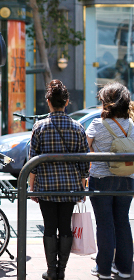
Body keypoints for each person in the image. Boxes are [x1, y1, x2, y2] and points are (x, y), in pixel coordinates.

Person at [29, 80, 89, 280]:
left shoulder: (40, 127)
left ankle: (51, 270)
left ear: (48, 102)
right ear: (67, 102)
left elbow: (33, 162)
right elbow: (84, 162)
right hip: (70, 187)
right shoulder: (78, 127)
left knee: (49, 226)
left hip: (45, 186)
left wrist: (31, 187)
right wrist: (82, 187)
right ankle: (61, 270)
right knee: (65, 226)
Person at [86, 82, 133, 279]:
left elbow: (85, 148)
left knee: (104, 223)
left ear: (107, 102)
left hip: (101, 177)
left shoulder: (97, 124)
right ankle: (124, 269)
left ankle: (103, 269)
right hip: (128, 178)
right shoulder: (132, 125)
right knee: (122, 221)